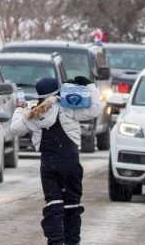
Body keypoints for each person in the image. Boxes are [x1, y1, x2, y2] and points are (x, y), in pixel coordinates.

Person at [10, 76, 105, 245]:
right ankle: (72, 242)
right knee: (72, 206)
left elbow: (15, 128)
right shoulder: (68, 108)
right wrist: (89, 86)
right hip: (70, 163)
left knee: (53, 205)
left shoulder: (32, 113)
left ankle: (56, 242)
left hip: (48, 164)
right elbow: (96, 108)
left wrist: (19, 109)